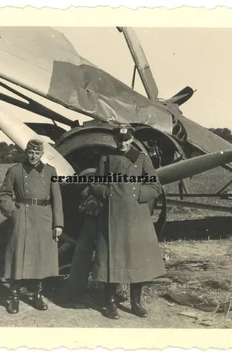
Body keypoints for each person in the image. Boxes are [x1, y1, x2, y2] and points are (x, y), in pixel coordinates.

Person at [89, 124, 166, 319]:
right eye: (119, 139)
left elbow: (155, 186)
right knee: (110, 260)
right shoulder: (107, 158)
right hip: (111, 216)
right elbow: (95, 183)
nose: (122, 143)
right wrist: (108, 193)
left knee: (136, 258)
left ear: (132, 139)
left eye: (126, 139)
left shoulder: (141, 159)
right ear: (115, 139)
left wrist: (136, 194)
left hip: (136, 215)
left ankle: (136, 302)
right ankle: (110, 303)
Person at [0, 139, 63, 314]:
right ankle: (14, 297)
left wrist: (58, 224)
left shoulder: (50, 172)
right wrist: (13, 212)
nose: (33, 156)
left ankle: (37, 295)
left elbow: (57, 199)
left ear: (42, 154)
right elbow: (4, 194)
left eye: (37, 153)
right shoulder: (15, 171)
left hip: (44, 217)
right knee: (19, 256)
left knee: (40, 258)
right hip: (23, 216)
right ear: (26, 152)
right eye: (30, 152)